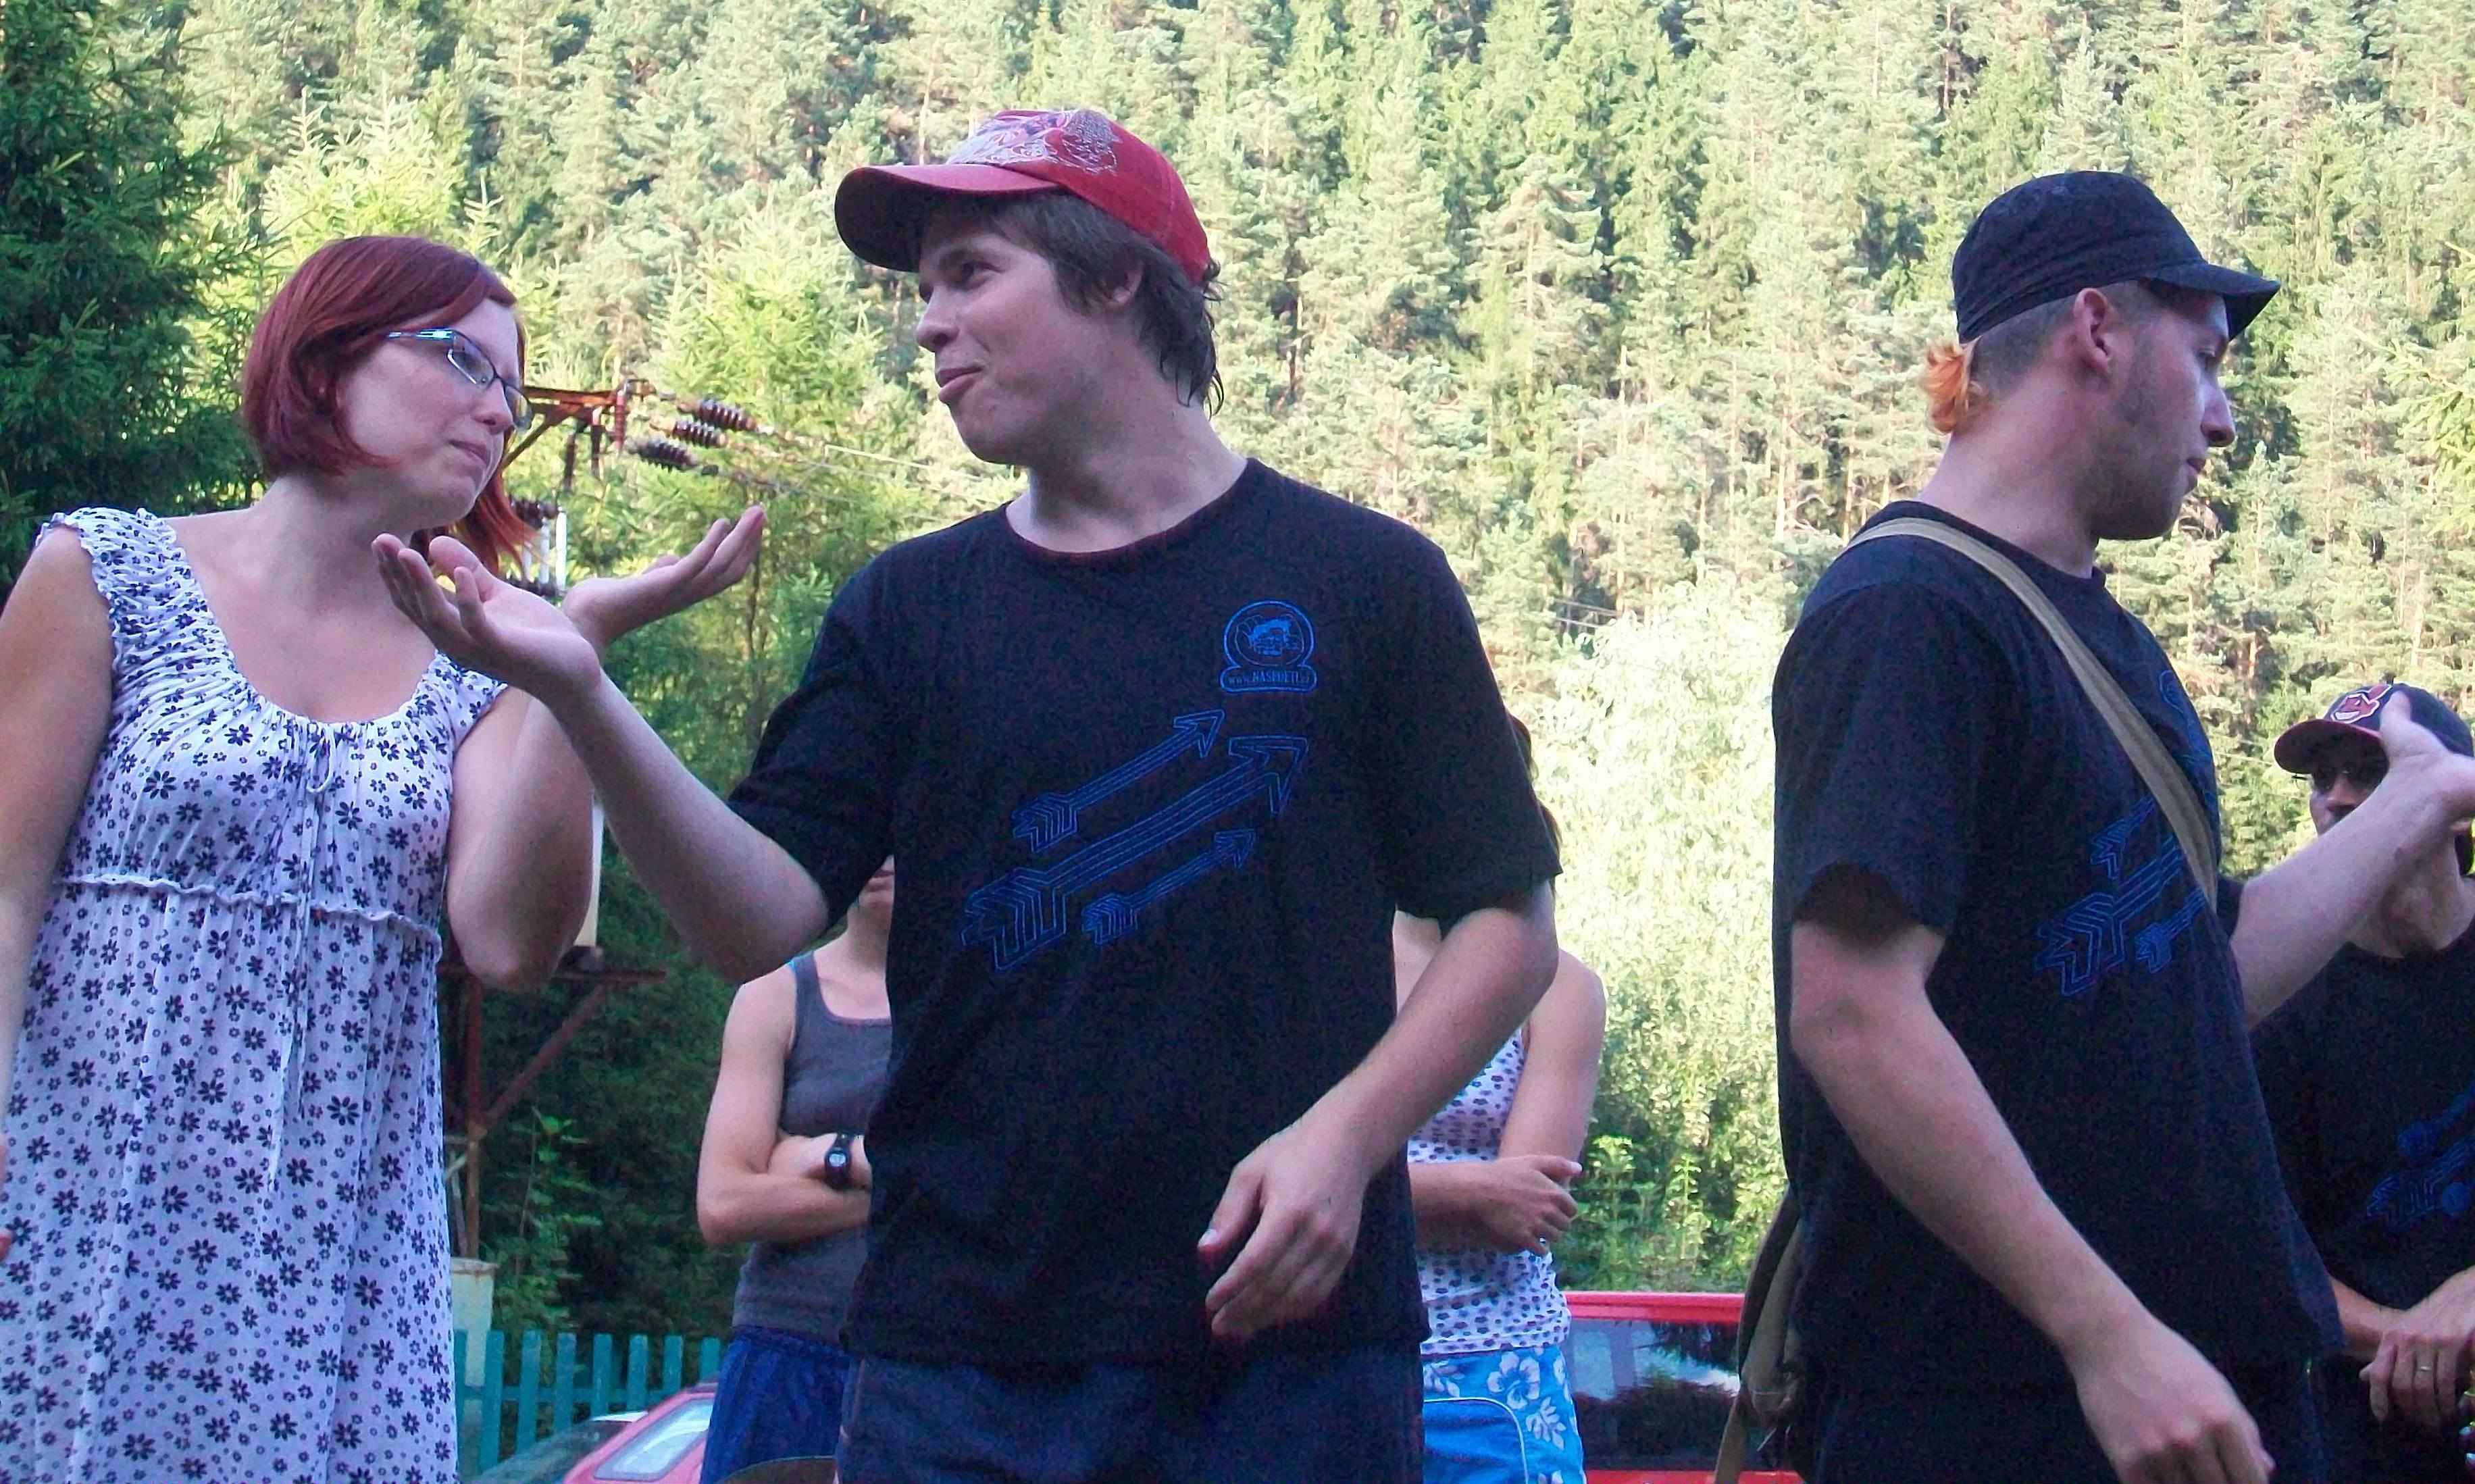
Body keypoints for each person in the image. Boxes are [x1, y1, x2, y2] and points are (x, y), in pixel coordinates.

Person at [377, 107, 1561, 1484]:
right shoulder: (907, 609)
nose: (929, 327)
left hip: (1289, 1361)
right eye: (921, 290)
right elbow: (748, 920)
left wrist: (1346, 1142)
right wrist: (582, 690)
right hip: (957, 1373)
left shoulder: (1364, 580)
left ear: (1113, 278)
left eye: (970, 273)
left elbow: (1506, 926)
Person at [0, 236, 759, 1483]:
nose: (497, 410)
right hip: (88, 1190)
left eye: (511, 387)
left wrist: (571, 662)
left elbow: (510, 945)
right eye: (463, 360)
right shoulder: (103, 572)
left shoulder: (483, 653)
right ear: (327, 354)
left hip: (339, 1249)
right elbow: (8, 886)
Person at [1770, 172, 2475, 1484]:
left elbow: (2203, 972)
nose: (2219, 418)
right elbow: (1851, 1011)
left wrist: (2419, 798)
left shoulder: (2097, 637)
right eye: (2204, 360)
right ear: (2095, 329)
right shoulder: (1908, 613)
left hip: (2169, 1406)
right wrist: (2104, 1332)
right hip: (1998, 1411)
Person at [2253, 683, 2475, 1482]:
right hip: (2362, 1412)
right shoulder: (2277, 1003)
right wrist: (2411, 1340)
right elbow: (2268, 1253)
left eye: (2370, 773)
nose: (2337, 799)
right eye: (2323, 778)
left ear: (2457, 807)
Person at [1399, 726, 1604, 1484]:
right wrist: (1472, 1188)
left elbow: (1526, 1209)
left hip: (1499, 1379)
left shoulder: (1561, 987)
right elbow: (1257, 1182)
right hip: (1333, 1363)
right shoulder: (1327, 966)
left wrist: (1356, 1186)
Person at [695, 858, 895, 1483]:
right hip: (787, 1352)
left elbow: (996, 1183)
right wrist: (875, 1168)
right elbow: (724, 1203)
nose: (885, 857)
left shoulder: (977, 1000)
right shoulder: (775, 995)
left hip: (928, 1363)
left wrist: (811, 1155)